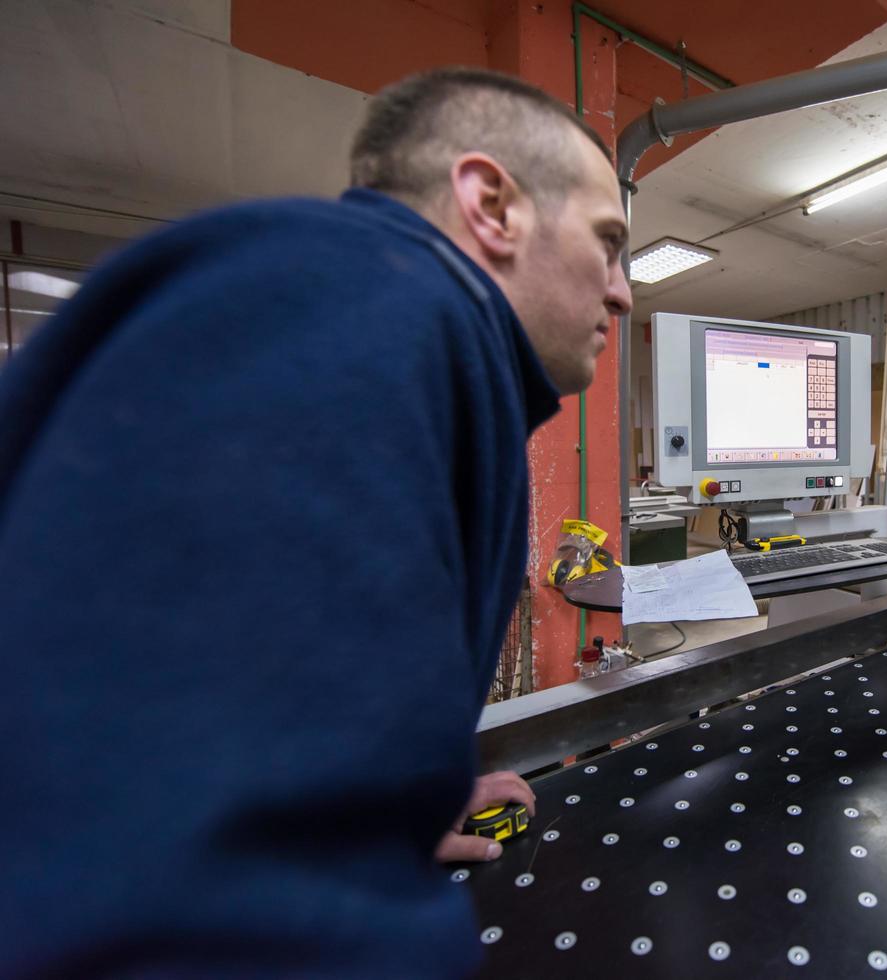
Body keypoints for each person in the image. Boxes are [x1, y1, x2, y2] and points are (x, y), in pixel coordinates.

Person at [0, 68, 631, 976]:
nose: (622, 293)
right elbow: (175, 894)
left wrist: (381, 806)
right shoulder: (348, 307)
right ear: (493, 203)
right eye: (607, 243)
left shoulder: (411, 342)